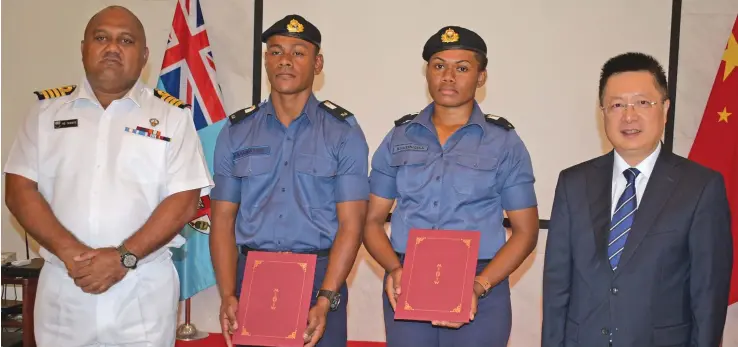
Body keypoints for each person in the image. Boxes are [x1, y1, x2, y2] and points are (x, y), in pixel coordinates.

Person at [3, 6, 213, 347]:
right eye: (102, 38)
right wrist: (71, 253)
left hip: (141, 290)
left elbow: (185, 201)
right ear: (84, 47)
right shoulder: (45, 113)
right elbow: (19, 190)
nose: (112, 47)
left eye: (125, 40)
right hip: (65, 289)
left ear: (144, 55)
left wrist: (123, 257)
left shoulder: (173, 117)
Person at [363, 26, 540, 347]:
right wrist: (393, 268)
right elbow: (371, 220)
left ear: (481, 76)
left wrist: (479, 285)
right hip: (408, 278)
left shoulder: (504, 143)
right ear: (427, 71)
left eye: (462, 68)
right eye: (439, 65)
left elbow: (526, 231)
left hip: (482, 282)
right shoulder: (399, 138)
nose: (448, 76)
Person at [542, 52, 733, 347]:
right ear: (602, 112)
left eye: (643, 103)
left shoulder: (701, 187)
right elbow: (557, 288)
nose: (629, 116)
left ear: (665, 109)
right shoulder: (573, 183)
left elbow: (708, 296)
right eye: (617, 105)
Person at [210, 14, 369, 347]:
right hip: (251, 278)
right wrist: (228, 293)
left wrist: (326, 297)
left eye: (298, 52)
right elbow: (222, 221)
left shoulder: (343, 133)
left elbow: (351, 225)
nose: (285, 60)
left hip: (319, 280)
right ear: (266, 60)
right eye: (276, 51)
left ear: (317, 63)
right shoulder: (236, 131)